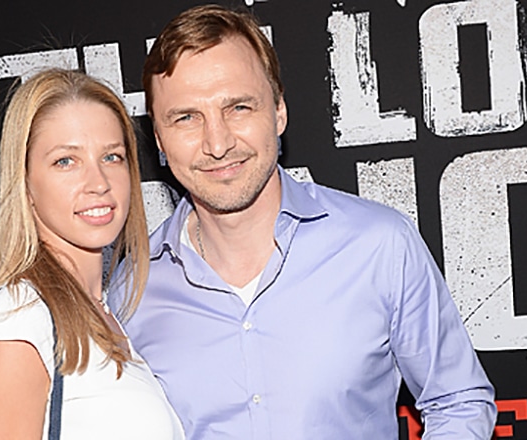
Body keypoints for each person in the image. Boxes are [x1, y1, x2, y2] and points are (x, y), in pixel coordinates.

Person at [108, 4, 497, 440]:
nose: (217, 143)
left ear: (279, 112)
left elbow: (458, 403)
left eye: (238, 107)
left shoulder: (378, 245)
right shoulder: (130, 292)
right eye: (186, 118)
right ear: (159, 140)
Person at [0, 68, 185, 439]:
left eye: (112, 157)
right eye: (66, 161)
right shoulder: (16, 319)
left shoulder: (110, 313)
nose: (99, 183)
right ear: (25, 182)